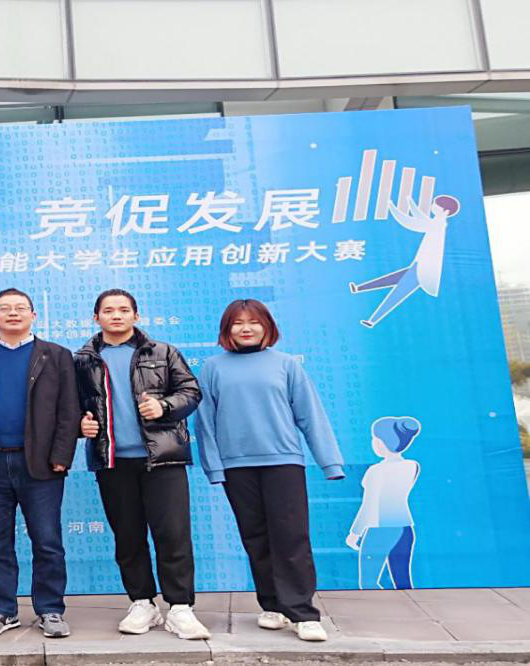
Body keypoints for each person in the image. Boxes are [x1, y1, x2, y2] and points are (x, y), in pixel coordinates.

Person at [194, 299, 345, 642]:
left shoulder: (286, 365)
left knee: (291, 537)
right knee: (256, 537)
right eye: (238, 323)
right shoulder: (213, 368)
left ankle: (303, 613)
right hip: (237, 467)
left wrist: (330, 462)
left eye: (254, 322)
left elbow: (310, 415)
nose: (246, 328)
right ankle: (273, 606)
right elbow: (205, 423)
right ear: (227, 330)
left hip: (283, 462)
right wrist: (214, 468)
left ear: (267, 326)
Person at [75, 289, 209, 639]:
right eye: (108, 310)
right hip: (112, 462)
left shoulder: (163, 352)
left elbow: (191, 391)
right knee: (128, 536)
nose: (116, 315)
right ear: (96, 318)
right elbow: (70, 406)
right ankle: (142, 603)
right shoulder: (82, 360)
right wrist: (79, 424)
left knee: (173, 535)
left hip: (163, 458)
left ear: (136, 315)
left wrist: (164, 406)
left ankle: (180, 607)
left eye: (123, 310)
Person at [0, 288, 79, 639]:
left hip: (41, 464)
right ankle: (3, 610)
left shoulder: (56, 355)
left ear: (34, 315)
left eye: (20, 308)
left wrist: (61, 456)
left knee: (47, 541)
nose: (13, 313)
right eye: (4, 308)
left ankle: (50, 609)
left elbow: (69, 411)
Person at [350, 195, 459, 328]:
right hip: (419, 264)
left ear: (445, 211)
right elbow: (421, 218)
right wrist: (410, 203)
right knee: (391, 279)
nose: (432, 206)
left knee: (397, 293)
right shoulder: (437, 221)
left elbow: (412, 223)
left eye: (436, 205)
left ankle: (372, 320)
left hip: (424, 270)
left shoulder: (438, 224)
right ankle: (358, 288)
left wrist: (393, 208)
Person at [346, 416, 422, 590]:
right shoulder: (412, 466)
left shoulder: (375, 471)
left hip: (380, 529)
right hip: (405, 528)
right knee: (402, 581)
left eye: (374, 438)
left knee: (368, 582)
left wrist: (355, 533)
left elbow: (369, 505)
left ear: (382, 443)